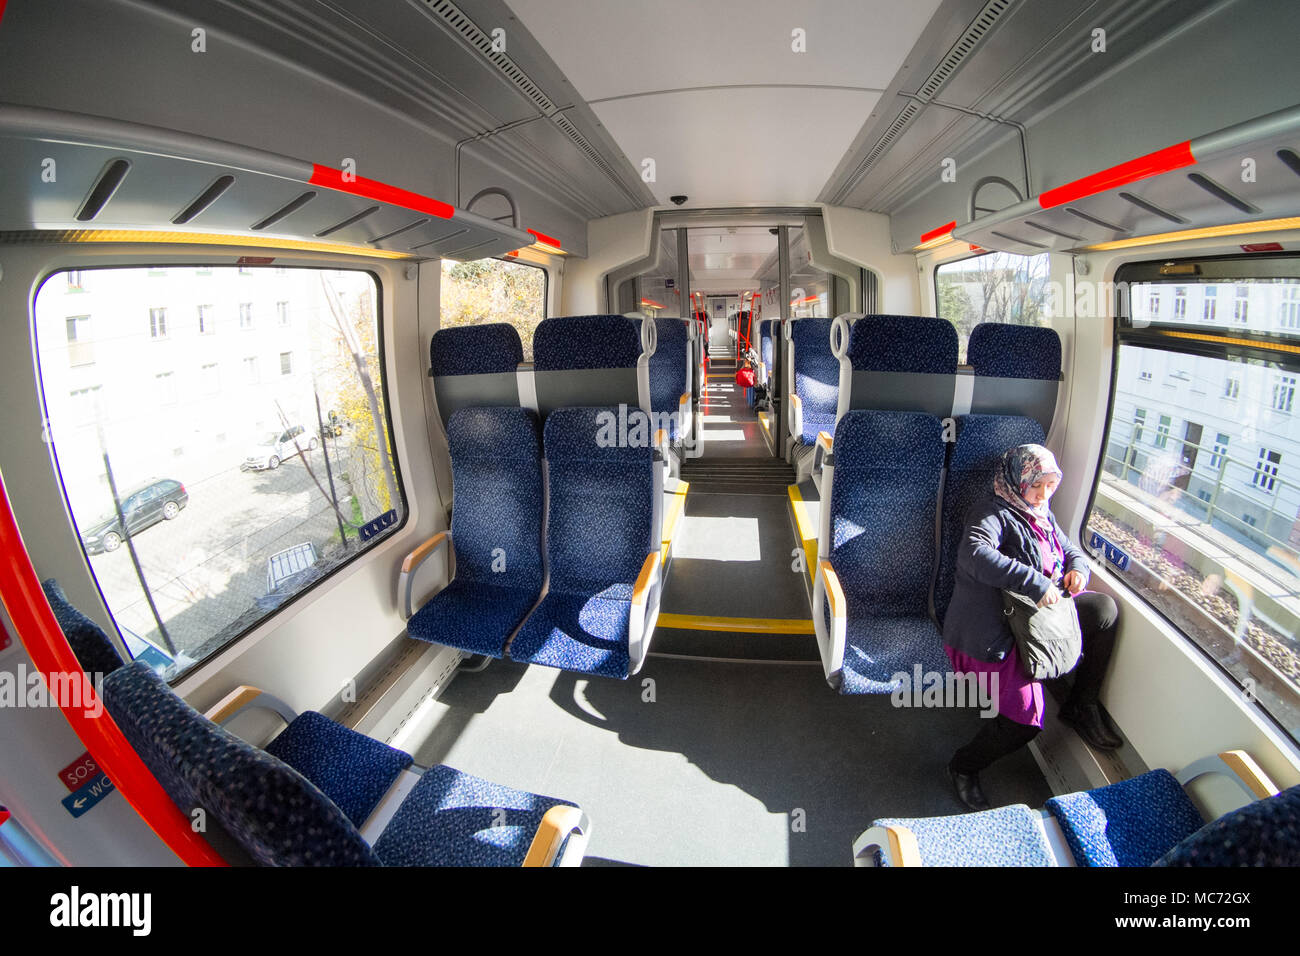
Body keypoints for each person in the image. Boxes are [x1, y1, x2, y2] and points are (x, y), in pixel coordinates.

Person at [943, 444, 1121, 811]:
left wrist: (1077, 571)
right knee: (1026, 723)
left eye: (1051, 485)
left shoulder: (1041, 514)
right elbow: (974, 554)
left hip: (1036, 619)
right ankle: (964, 765)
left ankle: (1080, 704)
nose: (1043, 495)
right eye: (1036, 486)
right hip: (992, 631)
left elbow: (1070, 549)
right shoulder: (992, 513)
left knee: (1103, 610)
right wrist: (1036, 583)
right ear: (1016, 479)